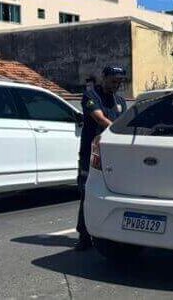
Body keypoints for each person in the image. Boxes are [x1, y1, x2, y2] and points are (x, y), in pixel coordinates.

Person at [75, 65, 128, 251]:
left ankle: (111, 234)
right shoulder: (91, 96)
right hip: (92, 154)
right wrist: (119, 131)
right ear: (103, 77)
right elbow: (100, 119)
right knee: (87, 191)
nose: (116, 85)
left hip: (113, 154)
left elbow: (126, 122)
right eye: (113, 81)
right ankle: (84, 234)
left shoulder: (120, 100)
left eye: (119, 82)